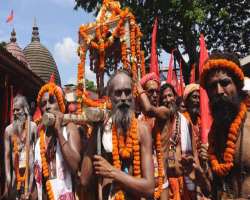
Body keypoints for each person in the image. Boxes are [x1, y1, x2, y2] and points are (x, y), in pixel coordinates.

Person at [80, 69, 154, 200]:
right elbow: (84, 180)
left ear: (133, 95)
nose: (124, 98)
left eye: (127, 92)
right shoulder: (103, 128)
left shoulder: (142, 130)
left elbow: (149, 188)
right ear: (110, 97)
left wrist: (112, 172)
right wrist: (96, 129)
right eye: (118, 93)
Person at [137, 82, 210, 199]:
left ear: (175, 97)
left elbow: (194, 155)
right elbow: (148, 110)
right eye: (164, 97)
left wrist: (198, 179)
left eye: (170, 96)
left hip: (185, 182)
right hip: (165, 183)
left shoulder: (186, 122)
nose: (167, 99)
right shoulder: (159, 121)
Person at [200, 52, 250, 199]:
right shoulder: (214, 134)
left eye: (225, 83)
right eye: (212, 86)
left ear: (238, 85)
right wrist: (198, 172)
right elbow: (214, 188)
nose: (219, 91)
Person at [34, 78, 81, 200]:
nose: (47, 107)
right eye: (43, 104)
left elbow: (75, 166)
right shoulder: (40, 139)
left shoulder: (70, 129)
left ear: (61, 105)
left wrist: (59, 131)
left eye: (51, 101)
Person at [4, 94, 37, 200]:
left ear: (25, 110)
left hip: (31, 175)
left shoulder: (32, 127)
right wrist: (8, 177)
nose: (14, 113)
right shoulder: (8, 130)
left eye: (17, 110)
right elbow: (7, 155)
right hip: (15, 175)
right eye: (13, 110)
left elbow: (37, 152)